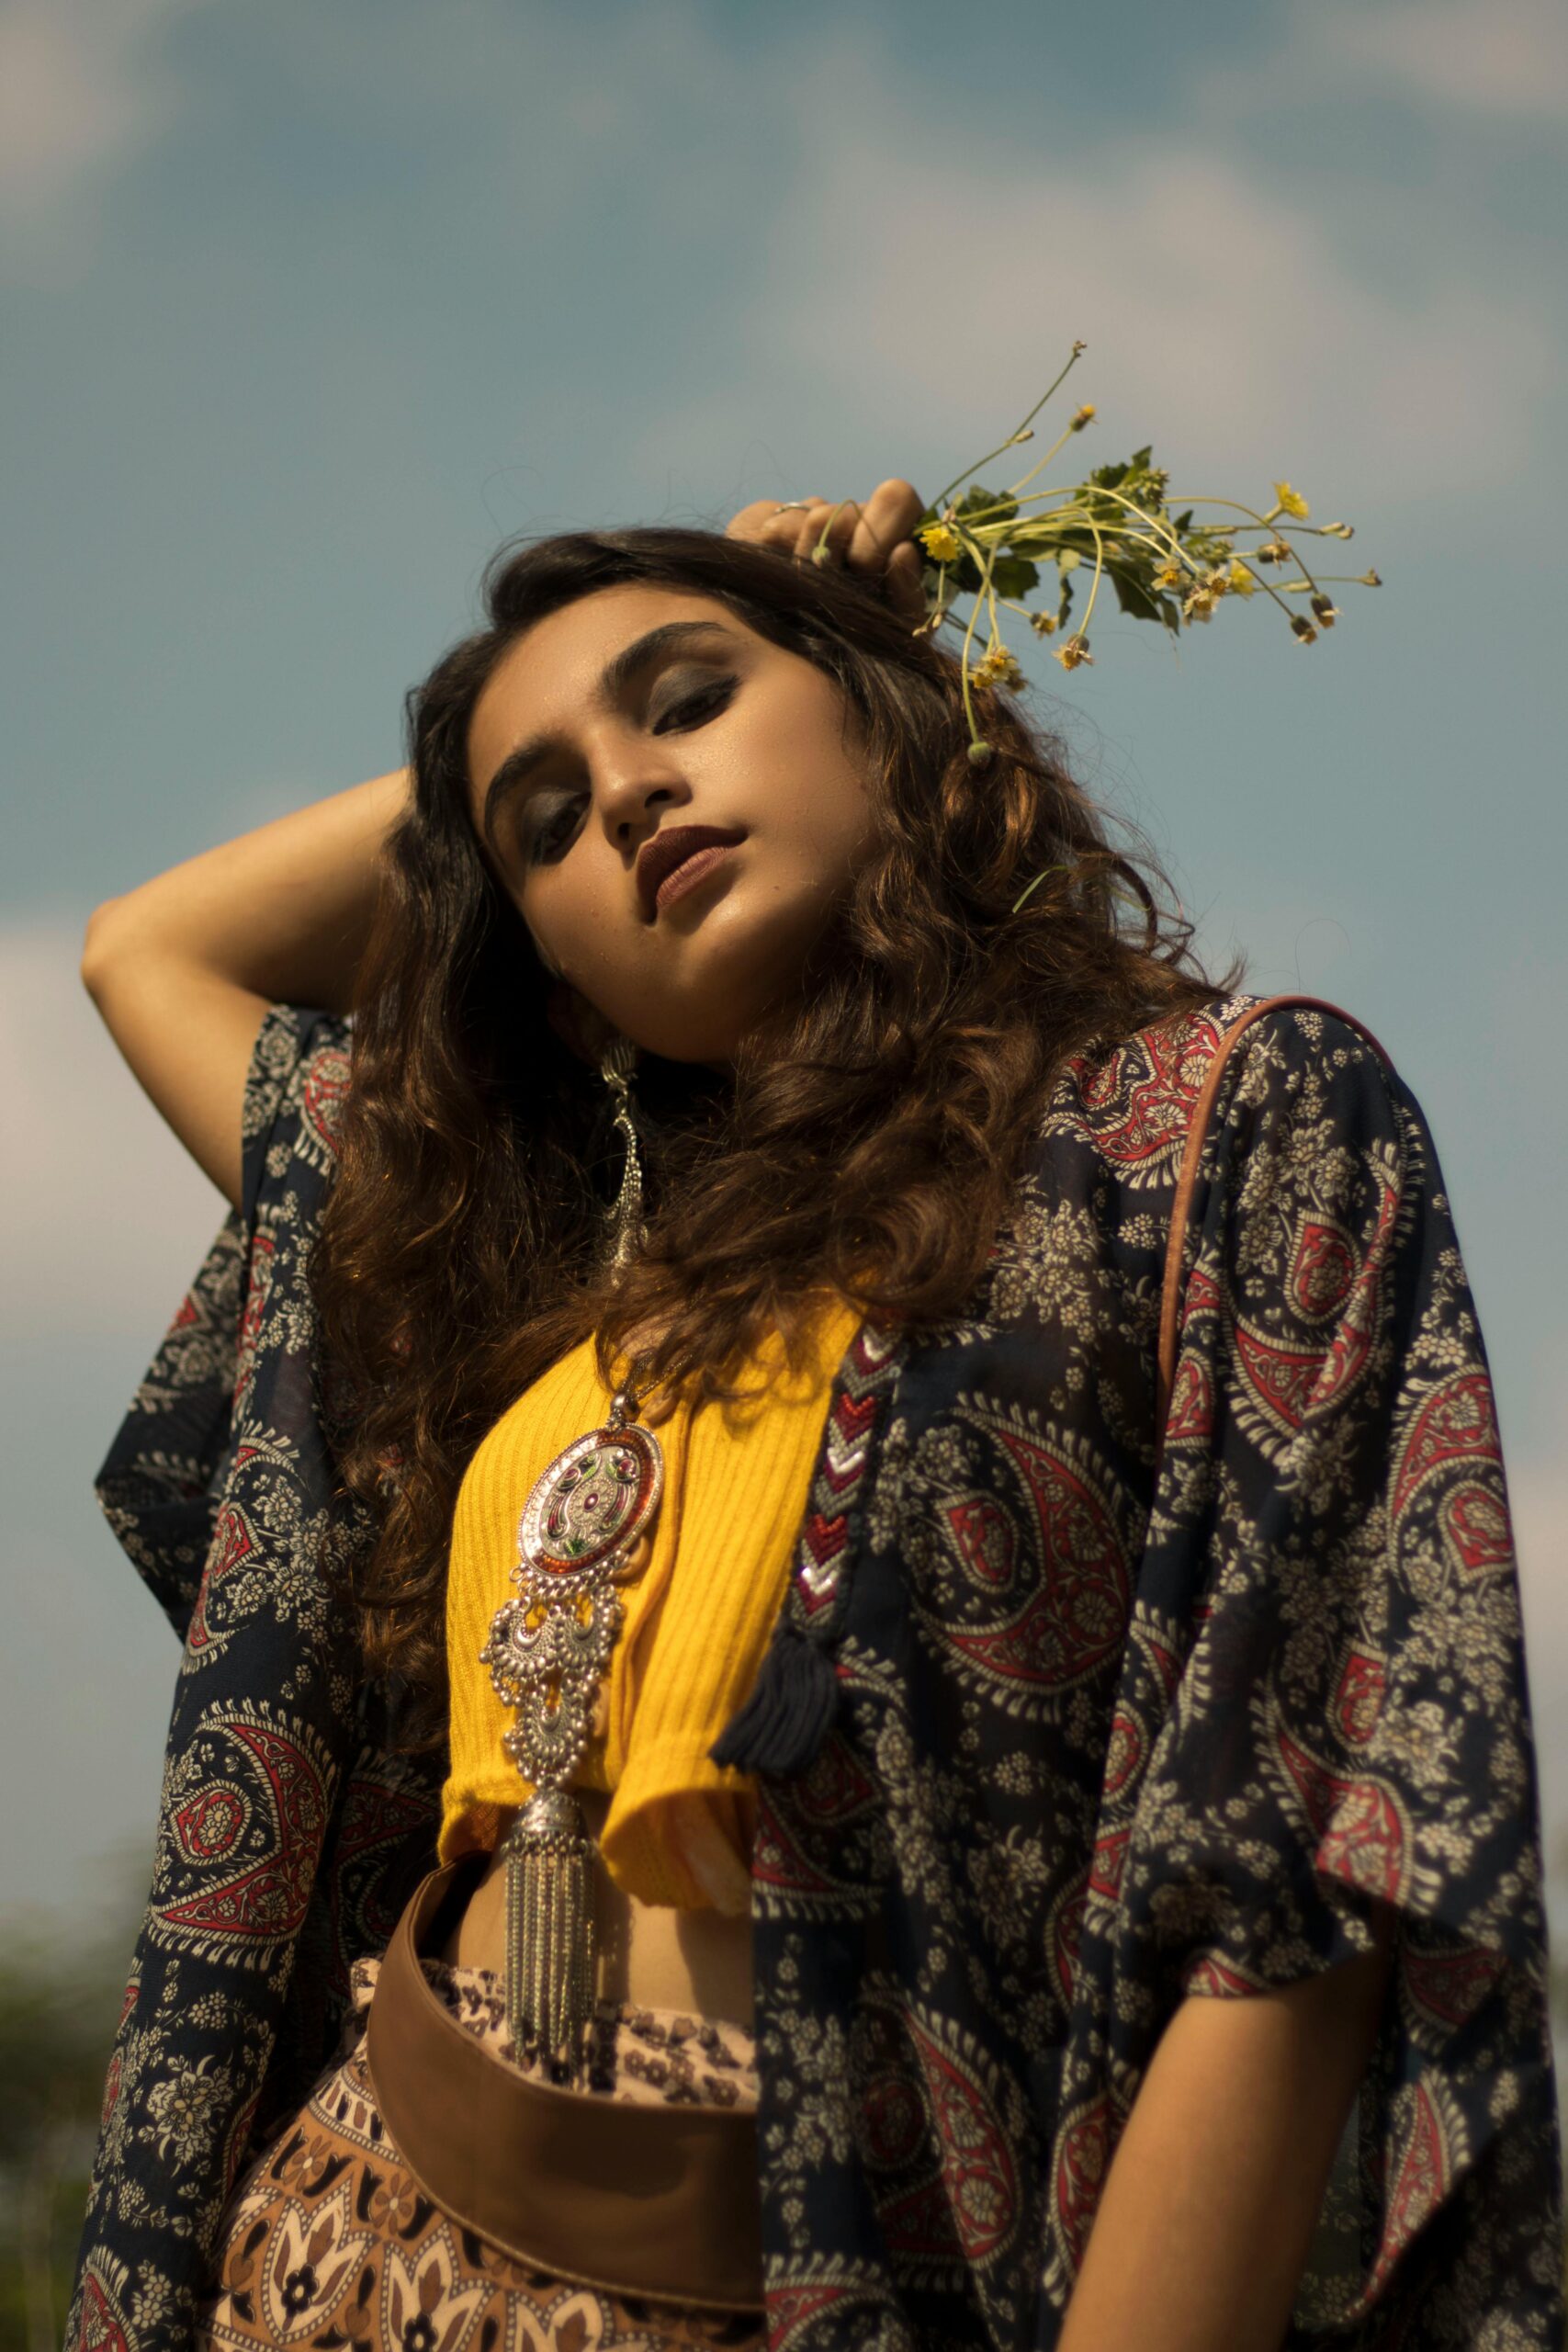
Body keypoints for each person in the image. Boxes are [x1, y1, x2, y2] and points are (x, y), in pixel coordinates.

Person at [70, 481, 1562, 2352]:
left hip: (831, 2281)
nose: (619, 792)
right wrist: (494, 790)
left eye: (686, 701)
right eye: (544, 821)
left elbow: (1282, 1882)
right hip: (346, 2247)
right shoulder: (513, 1276)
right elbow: (150, 950)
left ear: (891, 713)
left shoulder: (1203, 1131)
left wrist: (821, 628)